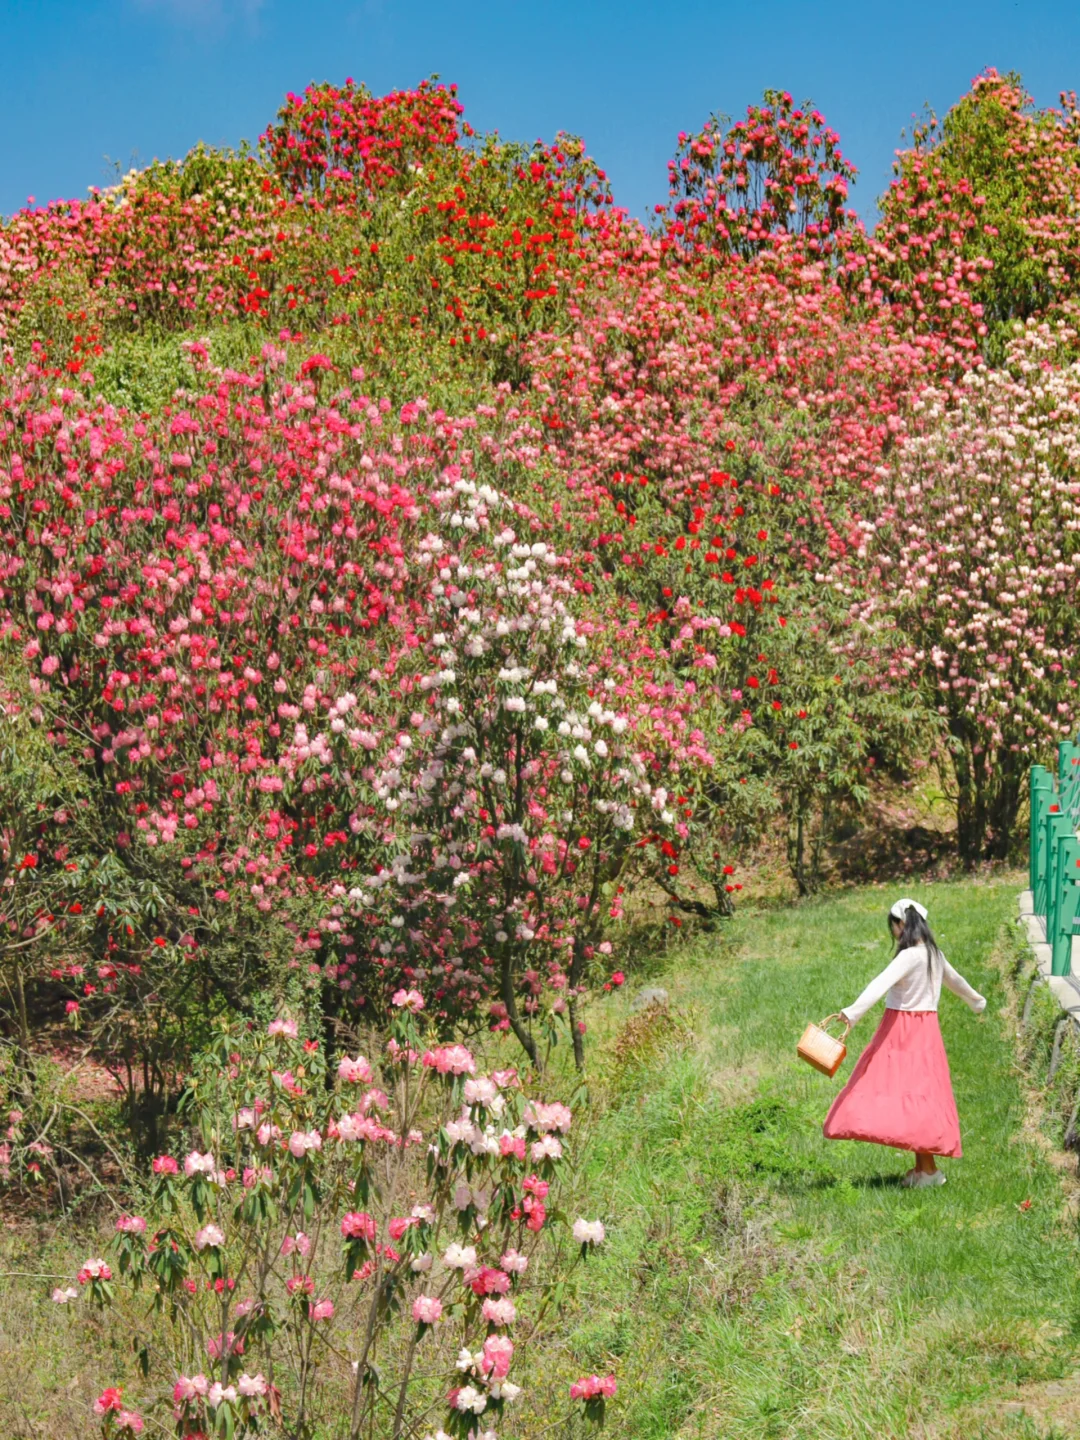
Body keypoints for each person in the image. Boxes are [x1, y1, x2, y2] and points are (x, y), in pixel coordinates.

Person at [821, 898, 986, 1188]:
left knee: (893, 1091)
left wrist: (852, 1013)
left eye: (894, 926)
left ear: (901, 925)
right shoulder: (935, 954)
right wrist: (976, 1001)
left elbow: (879, 984)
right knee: (918, 1096)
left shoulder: (909, 956)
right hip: (927, 1032)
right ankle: (925, 1170)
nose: (894, 933)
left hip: (901, 1030)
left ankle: (929, 1170)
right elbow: (957, 981)